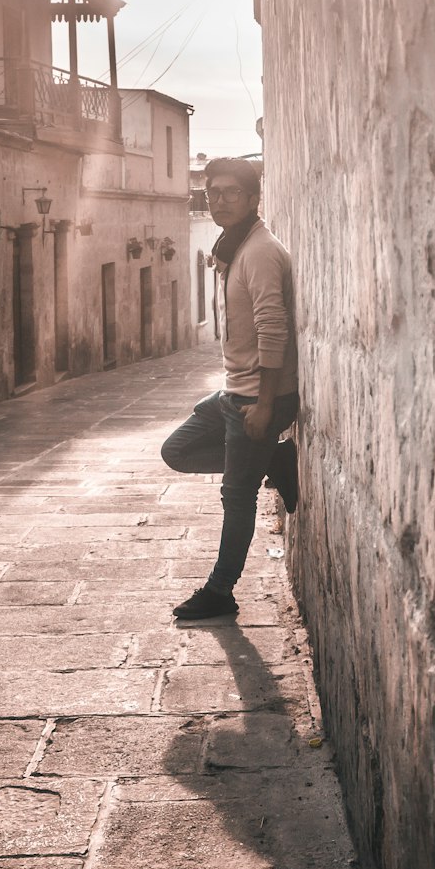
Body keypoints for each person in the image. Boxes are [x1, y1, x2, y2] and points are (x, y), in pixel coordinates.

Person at [161, 157, 299, 620]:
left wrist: (264, 406)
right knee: (177, 450)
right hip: (231, 392)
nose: (219, 201)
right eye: (212, 193)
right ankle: (275, 458)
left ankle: (220, 592)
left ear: (254, 198)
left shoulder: (259, 251)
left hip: (258, 399)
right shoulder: (234, 245)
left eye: (231, 193)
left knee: (236, 496)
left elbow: (272, 330)